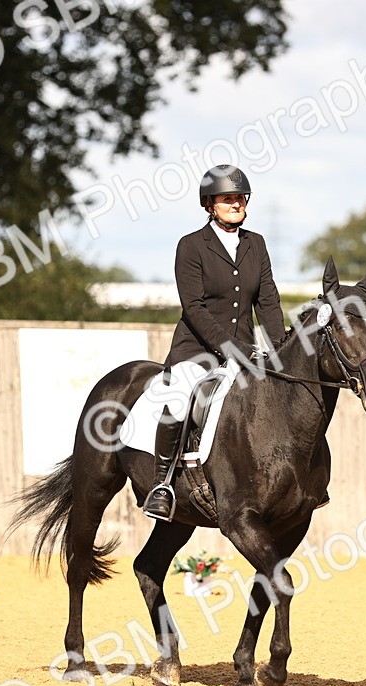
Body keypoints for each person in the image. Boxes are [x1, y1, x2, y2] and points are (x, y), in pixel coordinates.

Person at [143, 164, 287, 521]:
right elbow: (193, 306)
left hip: (245, 349)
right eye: (227, 199)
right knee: (179, 396)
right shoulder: (191, 246)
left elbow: (267, 300)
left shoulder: (256, 244)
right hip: (197, 349)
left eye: (240, 198)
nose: (236, 204)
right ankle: (162, 484)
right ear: (210, 204)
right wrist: (228, 348)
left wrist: (280, 347)